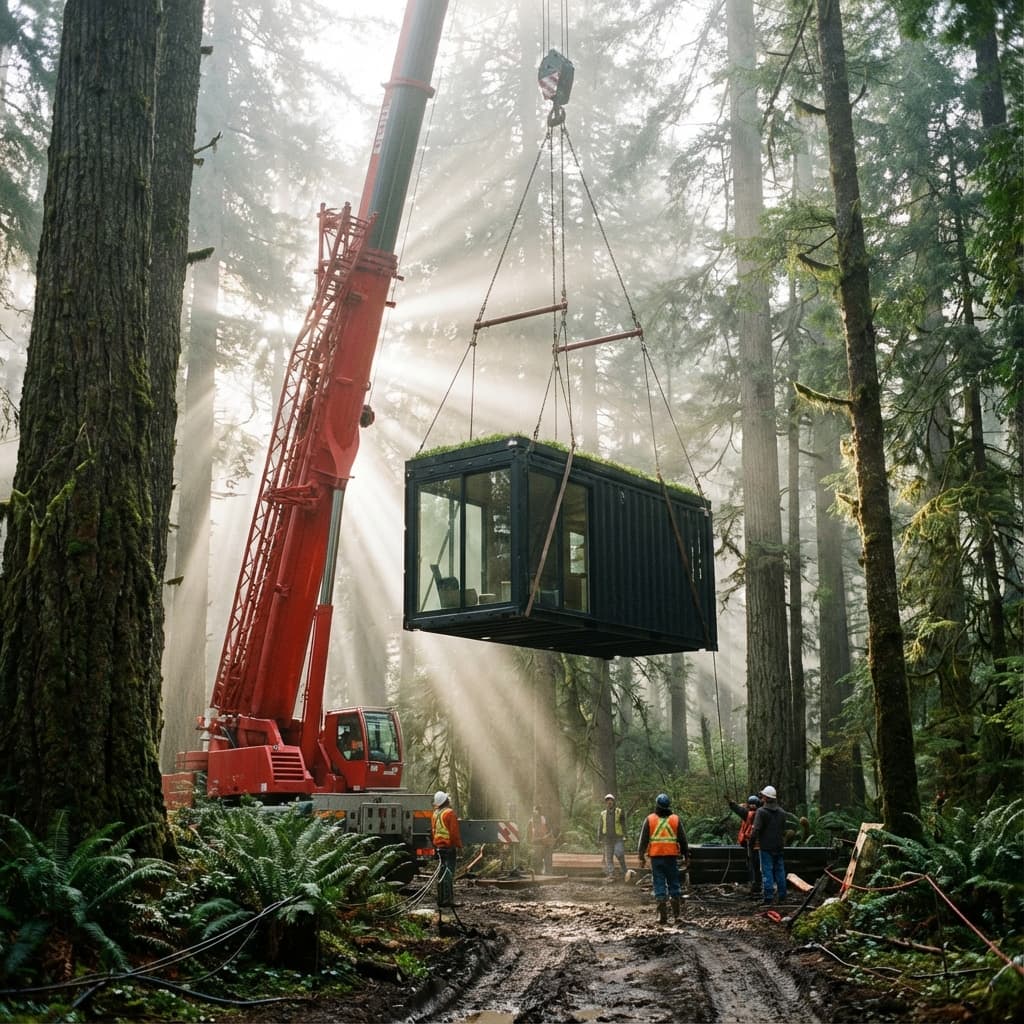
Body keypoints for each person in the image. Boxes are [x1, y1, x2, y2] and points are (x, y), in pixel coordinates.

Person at [637, 793, 690, 924]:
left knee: (659, 884)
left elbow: (643, 840)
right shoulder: (675, 819)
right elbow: (683, 840)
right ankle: (677, 916)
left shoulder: (650, 819)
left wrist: (641, 857)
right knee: (674, 883)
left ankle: (662, 917)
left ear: (657, 805)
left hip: (656, 858)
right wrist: (686, 856)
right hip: (671, 857)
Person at [750, 785, 787, 905]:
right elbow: (783, 830)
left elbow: (755, 830)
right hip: (779, 847)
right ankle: (782, 895)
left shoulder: (761, 812)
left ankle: (768, 896)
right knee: (780, 871)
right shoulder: (782, 812)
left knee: (767, 871)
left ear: (765, 797)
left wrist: (751, 843)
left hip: (766, 847)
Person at [431, 790, 462, 915]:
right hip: (449, 848)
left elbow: (433, 831)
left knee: (441, 872)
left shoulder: (435, 814)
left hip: (439, 847)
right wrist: (459, 846)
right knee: (449, 873)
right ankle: (448, 900)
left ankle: (441, 899)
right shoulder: (449, 813)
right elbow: (454, 833)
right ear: (446, 801)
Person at [725, 793, 761, 893]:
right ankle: (756, 883)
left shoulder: (749, 814)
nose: (752, 806)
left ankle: (754, 884)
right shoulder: (761, 812)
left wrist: (732, 803)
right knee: (756, 865)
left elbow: (739, 810)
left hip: (752, 843)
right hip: (760, 844)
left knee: (753, 865)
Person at [597, 793, 627, 879]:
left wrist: (625, 835)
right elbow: (600, 826)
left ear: (613, 802)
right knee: (609, 857)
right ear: (605, 803)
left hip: (618, 838)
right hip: (607, 839)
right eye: (607, 801)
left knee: (619, 853)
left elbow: (623, 824)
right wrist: (599, 837)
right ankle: (611, 874)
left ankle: (625, 871)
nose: (609, 802)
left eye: (610, 800)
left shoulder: (619, 812)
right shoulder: (603, 814)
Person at [527, 805, 555, 874]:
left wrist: (548, 838)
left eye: (536, 811)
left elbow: (550, 831)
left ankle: (546, 873)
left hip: (544, 843)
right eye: (535, 811)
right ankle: (540, 874)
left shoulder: (544, 820)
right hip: (538, 843)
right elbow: (528, 833)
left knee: (545, 861)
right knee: (539, 861)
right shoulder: (531, 821)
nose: (536, 812)